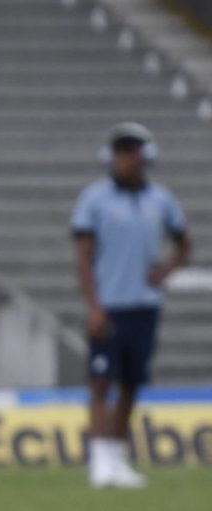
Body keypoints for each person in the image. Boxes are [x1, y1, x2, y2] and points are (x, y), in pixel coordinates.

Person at [74, 123, 191, 491]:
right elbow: (83, 257)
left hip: (144, 305)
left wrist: (165, 271)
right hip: (109, 305)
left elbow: (184, 241)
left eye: (133, 152)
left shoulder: (161, 200)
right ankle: (99, 461)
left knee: (130, 384)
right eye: (122, 152)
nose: (127, 159)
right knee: (100, 381)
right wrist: (94, 306)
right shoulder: (94, 199)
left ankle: (117, 458)